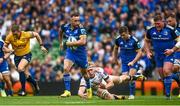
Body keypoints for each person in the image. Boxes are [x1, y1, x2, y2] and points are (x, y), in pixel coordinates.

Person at [4, 25, 48, 96]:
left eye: (16, 34)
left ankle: (23, 91)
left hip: (27, 55)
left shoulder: (26, 34)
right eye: (13, 34)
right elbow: (4, 47)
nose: (14, 35)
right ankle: (35, 83)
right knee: (26, 75)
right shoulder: (10, 36)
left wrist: (41, 45)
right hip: (17, 57)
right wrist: (9, 50)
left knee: (20, 68)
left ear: (19, 31)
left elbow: (36, 34)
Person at [144, 14, 179, 99]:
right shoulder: (150, 30)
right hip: (158, 55)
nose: (157, 25)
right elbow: (146, 41)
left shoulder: (171, 30)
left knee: (166, 70)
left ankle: (167, 95)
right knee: (163, 76)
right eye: (155, 24)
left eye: (158, 23)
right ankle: (177, 77)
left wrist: (172, 50)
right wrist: (148, 52)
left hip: (169, 54)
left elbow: (179, 40)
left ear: (163, 22)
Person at [59, 13, 92, 98]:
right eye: (75, 21)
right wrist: (61, 43)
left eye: (78, 20)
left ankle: (89, 89)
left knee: (85, 74)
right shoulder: (65, 27)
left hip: (81, 54)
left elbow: (83, 42)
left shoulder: (81, 29)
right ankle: (67, 91)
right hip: (71, 52)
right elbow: (60, 32)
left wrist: (69, 43)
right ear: (71, 20)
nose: (77, 22)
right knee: (66, 68)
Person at [78, 65, 146, 99]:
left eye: (91, 70)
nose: (90, 72)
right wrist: (82, 95)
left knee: (121, 79)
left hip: (103, 81)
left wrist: (105, 86)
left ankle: (136, 76)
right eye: (88, 70)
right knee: (109, 97)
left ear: (94, 69)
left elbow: (111, 83)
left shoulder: (99, 71)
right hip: (96, 89)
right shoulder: (85, 78)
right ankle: (116, 96)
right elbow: (80, 91)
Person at [113, 26, 143, 99]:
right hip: (124, 62)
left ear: (127, 32)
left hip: (133, 61)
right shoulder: (118, 39)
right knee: (125, 80)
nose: (122, 37)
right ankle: (138, 74)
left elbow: (140, 53)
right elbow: (115, 49)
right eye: (121, 35)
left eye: (124, 35)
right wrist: (115, 59)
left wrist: (133, 62)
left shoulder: (134, 40)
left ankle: (132, 95)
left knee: (130, 78)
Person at [166, 13, 180, 98]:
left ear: (175, 20)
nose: (168, 23)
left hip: (177, 51)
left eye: (170, 21)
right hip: (175, 52)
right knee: (174, 70)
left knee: (175, 69)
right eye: (167, 21)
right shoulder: (168, 29)